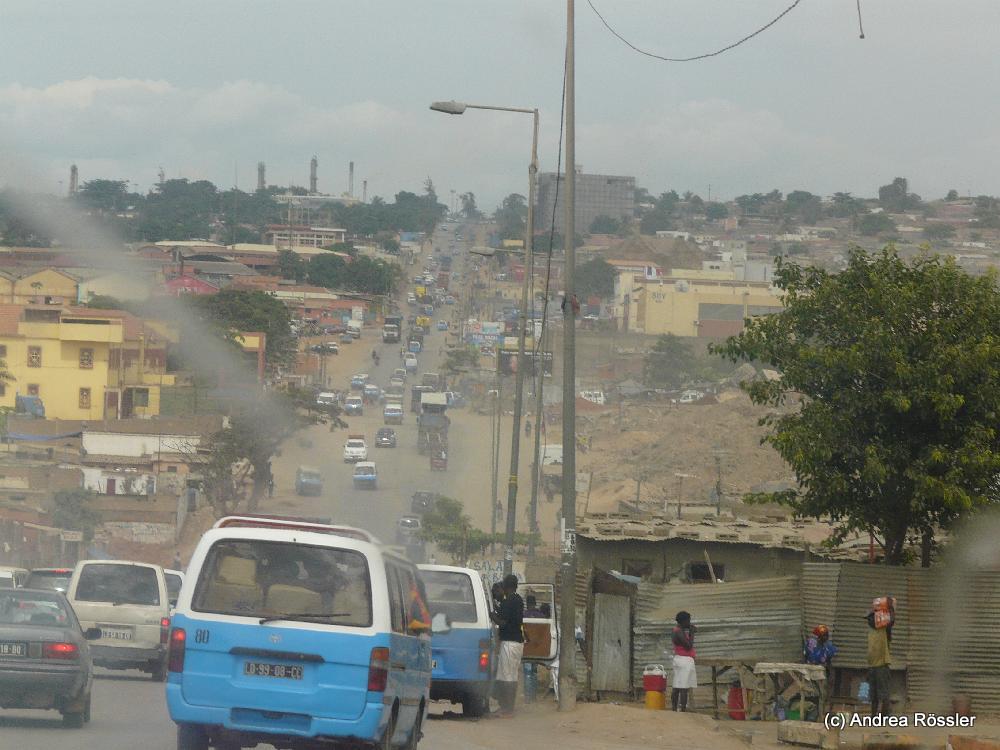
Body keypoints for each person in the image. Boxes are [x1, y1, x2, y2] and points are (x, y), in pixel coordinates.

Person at [490, 574, 524, 717]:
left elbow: (503, 622)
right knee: (510, 675)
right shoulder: (517, 600)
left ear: (506, 586)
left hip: (510, 643)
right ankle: (506, 707)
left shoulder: (509, 601)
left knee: (507, 677)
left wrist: (493, 616)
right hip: (516, 643)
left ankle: (507, 709)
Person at [867, 603, 895, 718]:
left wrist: (891, 608)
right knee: (873, 696)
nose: (869, 621)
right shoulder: (871, 631)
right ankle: (874, 717)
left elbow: (891, 621)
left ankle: (883, 718)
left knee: (883, 695)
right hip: (872, 667)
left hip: (882, 666)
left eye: (871, 618)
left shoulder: (884, 629)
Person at [671, 610, 697, 712]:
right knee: (684, 687)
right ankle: (682, 710)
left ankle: (674, 709)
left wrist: (689, 630)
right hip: (684, 661)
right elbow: (688, 646)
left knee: (677, 685)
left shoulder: (676, 630)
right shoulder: (679, 632)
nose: (689, 623)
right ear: (683, 621)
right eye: (688, 621)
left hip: (679, 659)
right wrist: (692, 633)